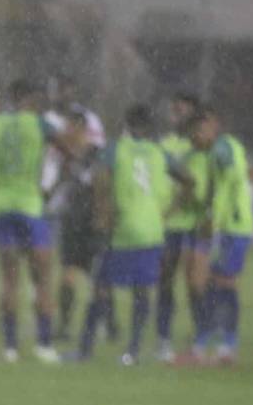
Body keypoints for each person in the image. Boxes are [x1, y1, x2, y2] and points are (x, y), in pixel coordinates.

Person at [0, 79, 67, 363]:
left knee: (9, 280)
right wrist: (52, 188)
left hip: (0, 205)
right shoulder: (39, 125)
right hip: (31, 206)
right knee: (42, 277)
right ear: (29, 99)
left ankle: (10, 347)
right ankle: (44, 345)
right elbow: (71, 153)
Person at [72, 104, 190, 365]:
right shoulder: (160, 153)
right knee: (141, 292)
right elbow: (188, 180)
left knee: (101, 288)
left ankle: (84, 349)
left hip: (123, 228)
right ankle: (133, 351)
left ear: (126, 124)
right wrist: (169, 212)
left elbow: (100, 178)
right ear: (149, 127)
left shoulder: (116, 149)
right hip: (152, 230)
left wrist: (102, 212)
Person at [182, 106, 253, 365]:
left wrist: (213, 218)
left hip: (233, 226)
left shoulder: (223, 149)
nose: (195, 137)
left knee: (222, 283)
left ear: (211, 125)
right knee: (218, 283)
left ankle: (220, 347)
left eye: (198, 130)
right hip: (230, 226)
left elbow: (232, 181)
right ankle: (216, 346)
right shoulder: (223, 148)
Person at [48, 107, 113, 342]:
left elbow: (104, 188)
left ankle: (108, 324)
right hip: (72, 220)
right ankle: (64, 326)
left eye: (68, 127)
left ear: (79, 129)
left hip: (93, 222)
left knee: (98, 277)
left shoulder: (98, 154)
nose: (64, 132)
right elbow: (61, 182)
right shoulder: (68, 156)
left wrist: (103, 219)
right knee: (68, 274)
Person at [156, 92, 209, 362]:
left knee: (194, 285)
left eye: (182, 109)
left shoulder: (201, 147)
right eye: (174, 109)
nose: (177, 113)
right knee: (165, 283)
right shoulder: (163, 144)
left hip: (192, 224)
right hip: (168, 226)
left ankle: (201, 339)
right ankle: (163, 339)